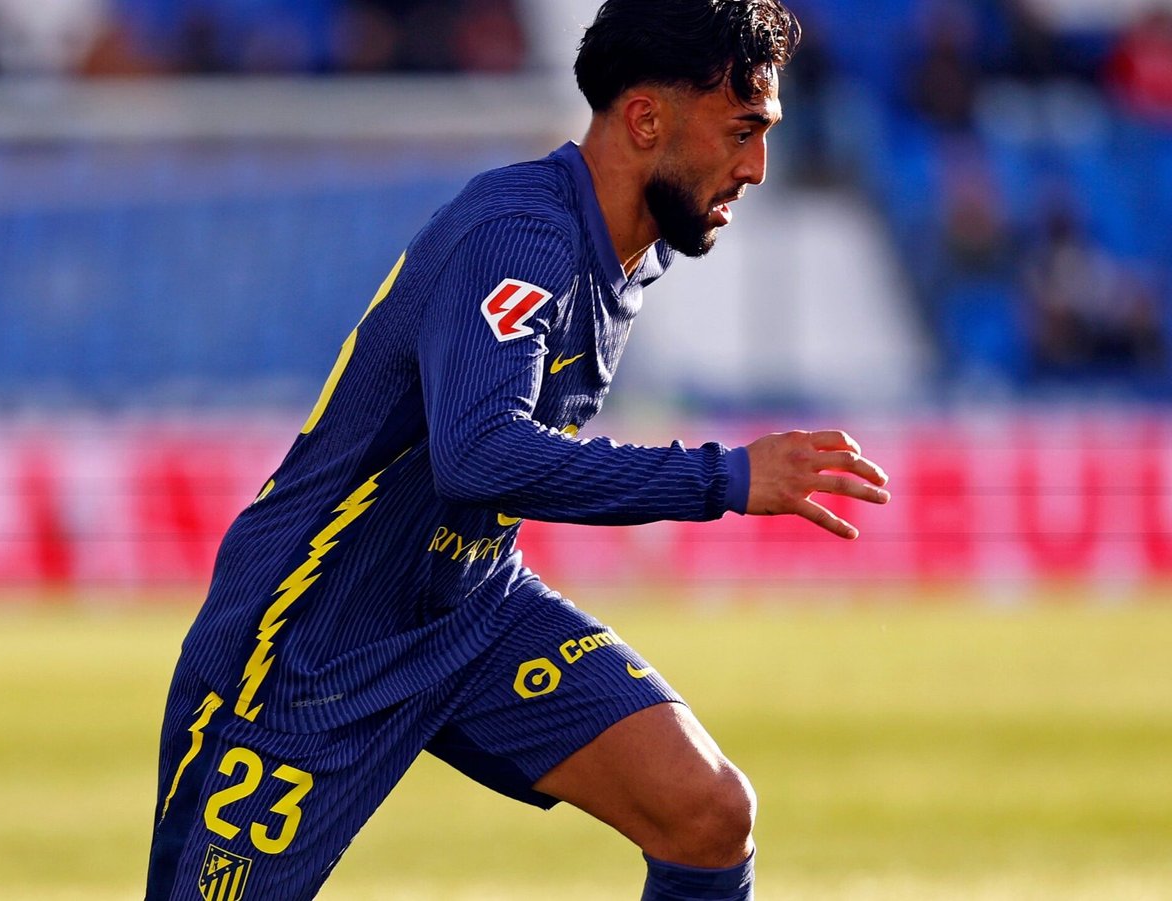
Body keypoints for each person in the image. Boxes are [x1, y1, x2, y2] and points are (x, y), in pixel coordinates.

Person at [144, 2, 891, 899]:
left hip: (472, 607)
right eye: (741, 131)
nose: (757, 166)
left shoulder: (631, 253)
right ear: (645, 119)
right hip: (309, 636)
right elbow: (480, 453)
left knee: (706, 812)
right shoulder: (520, 233)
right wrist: (722, 478)